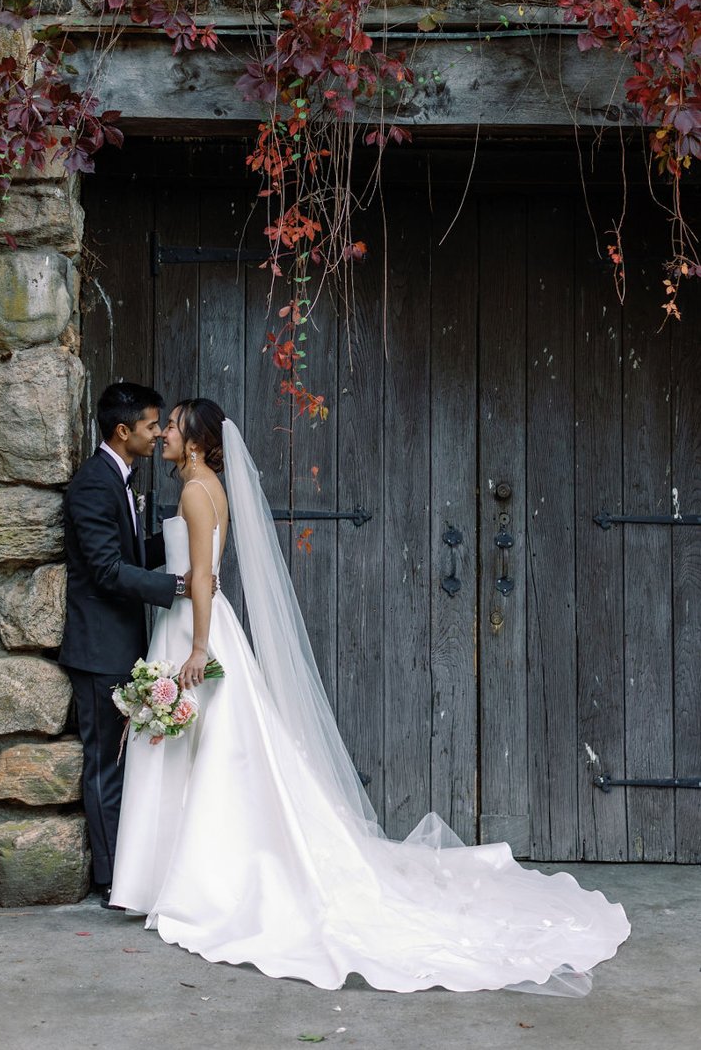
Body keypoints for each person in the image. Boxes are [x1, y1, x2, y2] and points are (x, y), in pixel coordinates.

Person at [110, 399, 631, 993]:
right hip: (190, 622)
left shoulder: (196, 493)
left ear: (198, 441)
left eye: (175, 425)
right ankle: (167, 877)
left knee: (202, 754)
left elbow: (201, 576)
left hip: (194, 625)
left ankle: (190, 880)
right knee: (199, 753)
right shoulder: (206, 487)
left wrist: (199, 646)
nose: (166, 433)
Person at [59, 381, 191, 906]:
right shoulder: (94, 483)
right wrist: (176, 588)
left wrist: (188, 535)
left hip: (123, 643)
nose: (158, 434)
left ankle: (127, 869)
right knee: (104, 762)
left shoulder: (123, 479)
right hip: (99, 648)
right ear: (123, 430)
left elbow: (133, 550)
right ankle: (110, 877)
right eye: (152, 425)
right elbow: (109, 569)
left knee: (123, 759)